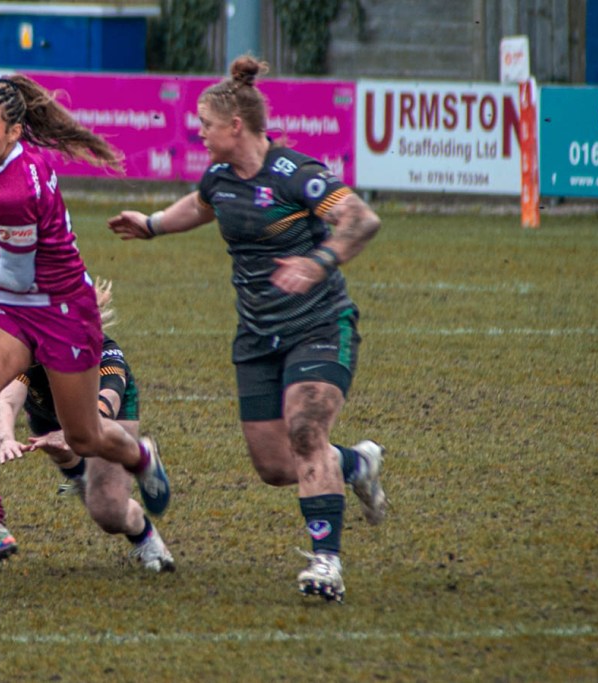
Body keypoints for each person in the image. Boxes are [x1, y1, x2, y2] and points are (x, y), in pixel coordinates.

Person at [107, 55, 387, 602]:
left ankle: (326, 563)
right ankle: (356, 463)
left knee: (306, 432)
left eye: (205, 125)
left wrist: (318, 262)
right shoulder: (219, 177)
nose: (198, 133)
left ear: (235, 126)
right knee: (276, 466)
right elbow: (203, 205)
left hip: (318, 324)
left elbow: (361, 219)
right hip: (258, 338)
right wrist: (153, 225)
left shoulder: (296, 175)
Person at [0, 74, 170, 569]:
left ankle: (140, 456)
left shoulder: (17, 188)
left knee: (85, 437)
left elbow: (17, 273)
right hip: (12, 307)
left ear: (13, 132)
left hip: (61, 312)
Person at [0, 279, 175, 573]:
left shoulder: (101, 350)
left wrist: (72, 432)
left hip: (103, 418)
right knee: (70, 460)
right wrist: (5, 437)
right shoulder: (30, 351)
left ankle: (145, 530)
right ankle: (80, 474)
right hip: (47, 417)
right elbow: (7, 398)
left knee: (108, 511)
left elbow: (107, 404)